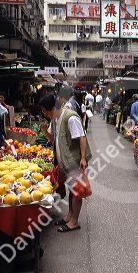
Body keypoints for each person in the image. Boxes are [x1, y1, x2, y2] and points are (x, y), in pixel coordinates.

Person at [39, 94, 92, 233]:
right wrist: (45, 131)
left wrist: (83, 158)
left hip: (74, 161)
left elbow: (82, 137)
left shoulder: (71, 117)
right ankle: (70, 216)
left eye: (44, 111)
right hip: (63, 162)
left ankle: (74, 222)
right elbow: (53, 139)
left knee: (77, 191)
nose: (43, 114)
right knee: (71, 189)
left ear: (51, 108)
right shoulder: (54, 120)